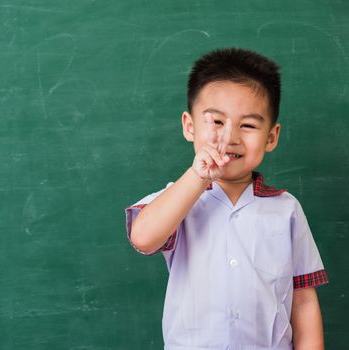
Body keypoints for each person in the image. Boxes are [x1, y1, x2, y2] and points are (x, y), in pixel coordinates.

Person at [125, 47, 329, 350]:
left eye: (248, 125)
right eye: (217, 122)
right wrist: (197, 177)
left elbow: (303, 301)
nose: (230, 137)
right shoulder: (178, 199)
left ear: (271, 137)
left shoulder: (286, 209)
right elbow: (143, 238)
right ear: (189, 126)